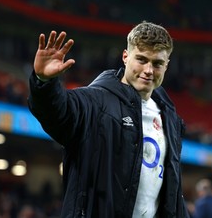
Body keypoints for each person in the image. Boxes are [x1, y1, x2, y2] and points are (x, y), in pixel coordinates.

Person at [28, 21, 190, 217]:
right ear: (125, 57)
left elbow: (172, 192)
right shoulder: (95, 101)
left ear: (167, 65)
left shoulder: (169, 117)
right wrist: (44, 82)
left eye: (157, 63)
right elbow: (58, 114)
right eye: (141, 59)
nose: (149, 70)